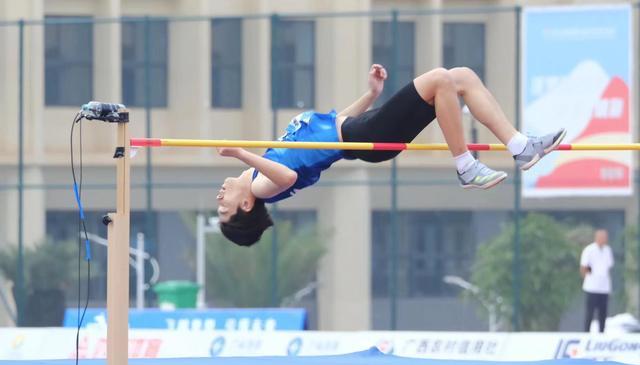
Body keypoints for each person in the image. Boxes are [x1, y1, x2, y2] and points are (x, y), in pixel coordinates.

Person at [216, 64, 566, 246]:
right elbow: (288, 176)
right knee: (441, 80)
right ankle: (466, 166)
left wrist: (371, 94)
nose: (220, 197)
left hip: (360, 128)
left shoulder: (263, 172)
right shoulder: (261, 186)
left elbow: (335, 124)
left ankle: (520, 147)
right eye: (224, 207)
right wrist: (239, 153)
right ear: (245, 206)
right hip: (367, 135)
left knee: (459, 78)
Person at [580, 229, 614, 333]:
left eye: (605, 237)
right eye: (602, 237)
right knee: (590, 312)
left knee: (603, 313)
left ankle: (601, 333)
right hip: (592, 286)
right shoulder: (589, 250)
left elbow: (609, 266)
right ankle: (586, 333)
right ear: (597, 237)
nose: (604, 239)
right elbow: (584, 267)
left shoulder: (608, 250)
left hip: (604, 287)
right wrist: (591, 275)